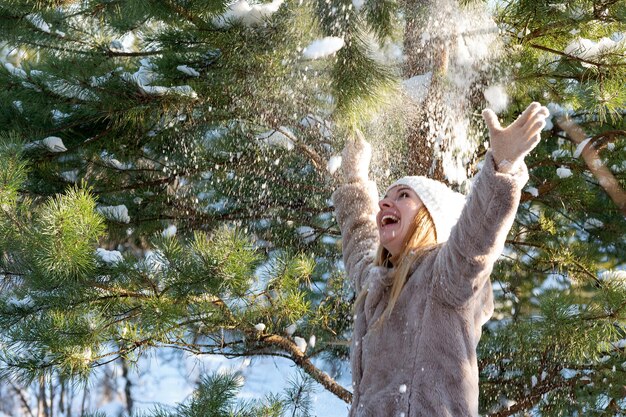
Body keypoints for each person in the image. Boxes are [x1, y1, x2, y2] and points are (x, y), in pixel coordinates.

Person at [332, 102, 550, 417]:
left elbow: (476, 239)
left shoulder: (446, 277)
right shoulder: (377, 281)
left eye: (403, 196)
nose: (384, 203)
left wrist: (502, 169)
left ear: (432, 220)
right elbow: (358, 234)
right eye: (387, 197)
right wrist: (353, 178)